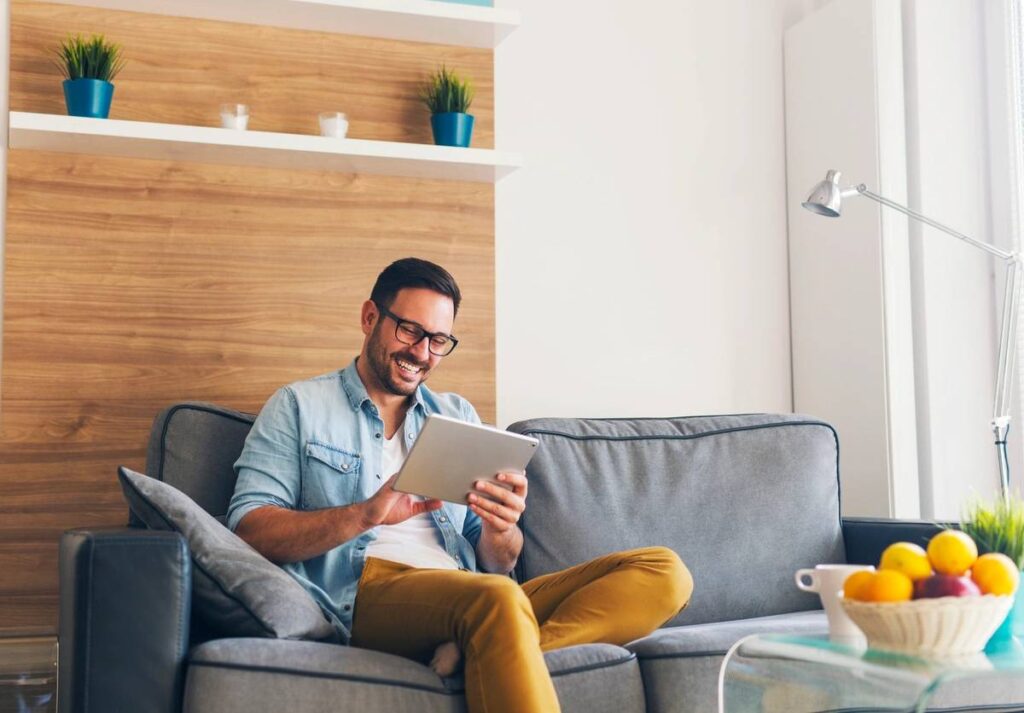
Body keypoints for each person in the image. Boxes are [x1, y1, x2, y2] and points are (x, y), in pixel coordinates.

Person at [227, 257, 693, 713]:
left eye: (439, 340)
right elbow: (250, 531)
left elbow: (497, 563)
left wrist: (500, 529)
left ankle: (477, 648)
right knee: (497, 599)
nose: (422, 353)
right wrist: (365, 514)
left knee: (663, 571)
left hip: (471, 591)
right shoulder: (299, 406)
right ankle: (487, 638)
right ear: (370, 317)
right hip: (368, 592)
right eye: (410, 331)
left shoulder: (456, 416)